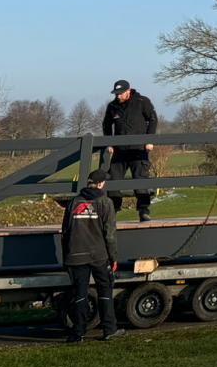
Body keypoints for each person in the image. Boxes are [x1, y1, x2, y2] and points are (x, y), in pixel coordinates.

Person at [61, 169, 119, 342]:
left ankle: (78, 333)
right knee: (105, 290)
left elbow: (65, 232)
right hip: (99, 255)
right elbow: (110, 234)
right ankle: (109, 329)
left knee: (80, 294)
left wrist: (66, 257)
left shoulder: (73, 203)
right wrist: (113, 257)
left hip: (76, 255)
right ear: (100, 184)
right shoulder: (105, 202)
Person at [102, 79, 159, 221]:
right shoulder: (112, 106)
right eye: (116, 94)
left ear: (128, 91)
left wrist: (149, 139)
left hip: (138, 149)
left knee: (140, 180)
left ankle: (144, 210)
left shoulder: (141, 101)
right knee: (113, 181)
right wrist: (109, 143)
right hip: (119, 150)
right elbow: (107, 125)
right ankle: (114, 210)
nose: (118, 96)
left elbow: (153, 119)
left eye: (120, 93)